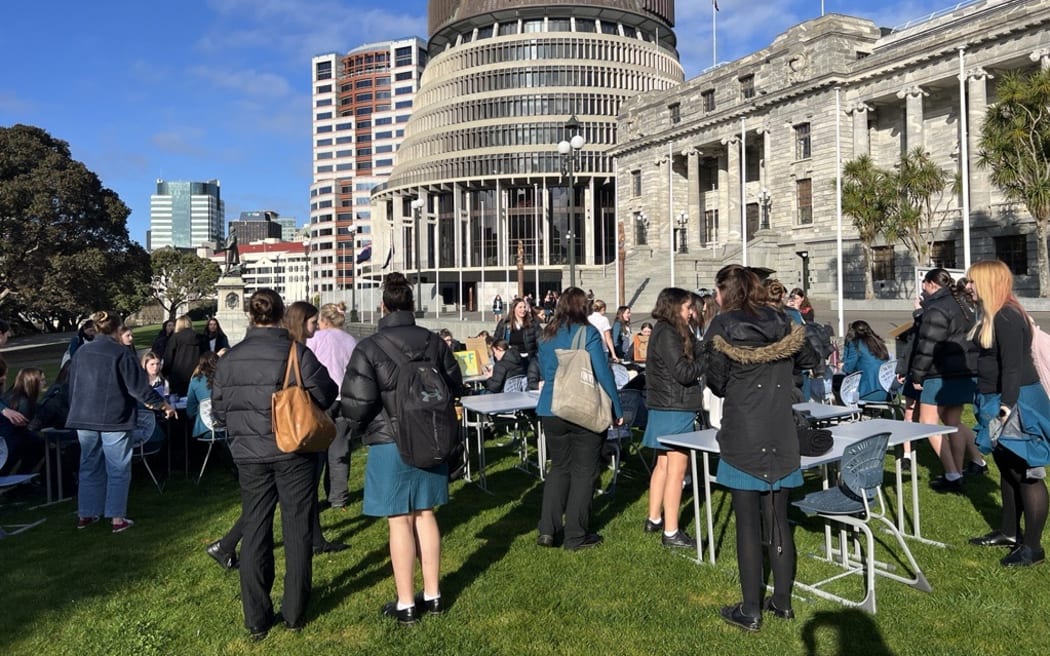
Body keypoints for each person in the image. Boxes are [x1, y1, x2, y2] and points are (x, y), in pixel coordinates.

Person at [212, 290, 337, 640]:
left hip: (249, 452)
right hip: (292, 449)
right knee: (296, 528)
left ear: (252, 317)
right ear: (281, 315)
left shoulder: (229, 358)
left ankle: (256, 617)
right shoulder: (296, 352)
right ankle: (294, 610)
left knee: (255, 528)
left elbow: (220, 410)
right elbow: (326, 393)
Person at [705, 264, 822, 631]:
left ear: (727, 291)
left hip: (744, 431)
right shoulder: (784, 320)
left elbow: (717, 382)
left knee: (748, 525)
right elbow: (811, 359)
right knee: (777, 518)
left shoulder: (723, 325)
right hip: (779, 427)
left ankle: (752, 609)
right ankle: (782, 603)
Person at [341, 272, 463, 625]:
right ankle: (434, 594)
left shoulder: (369, 346)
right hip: (430, 434)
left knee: (399, 521)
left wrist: (358, 427)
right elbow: (454, 382)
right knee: (426, 514)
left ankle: (406, 602)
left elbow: (358, 401)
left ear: (383, 305)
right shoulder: (433, 341)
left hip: (389, 439)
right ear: (412, 304)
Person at [966, 260, 1050, 566]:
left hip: (1016, 403)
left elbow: (1013, 367)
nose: (968, 287)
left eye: (973, 282)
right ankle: (1010, 531)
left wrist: (1006, 408)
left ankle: (1033, 548)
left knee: (1026, 473)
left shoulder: (1007, 316)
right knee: (1007, 469)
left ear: (988, 283)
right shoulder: (992, 313)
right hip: (995, 398)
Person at [66, 310, 176, 534]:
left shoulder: (81, 352)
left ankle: (86, 513)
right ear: (118, 329)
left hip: (84, 416)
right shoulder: (120, 353)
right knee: (117, 468)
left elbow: (72, 385)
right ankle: (117, 517)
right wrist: (163, 404)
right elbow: (138, 387)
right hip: (113, 417)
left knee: (89, 465)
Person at [534, 287, 624, 551]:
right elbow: (603, 374)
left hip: (551, 407)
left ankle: (547, 529)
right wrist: (616, 409)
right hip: (580, 407)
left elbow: (544, 369)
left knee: (559, 468)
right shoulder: (588, 333)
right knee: (585, 471)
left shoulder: (546, 334)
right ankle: (576, 534)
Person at [641, 288, 706, 550]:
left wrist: (708, 344)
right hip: (674, 406)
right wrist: (708, 361)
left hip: (665, 405)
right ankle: (671, 532)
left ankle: (654, 518)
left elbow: (694, 350)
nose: (691, 312)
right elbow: (684, 372)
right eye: (687, 307)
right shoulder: (668, 332)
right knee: (676, 470)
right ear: (674, 306)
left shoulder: (670, 329)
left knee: (664, 466)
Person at [910, 268, 984, 493]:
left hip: (939, 373)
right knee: (953, 422)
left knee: (928, 423)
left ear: (932, 284)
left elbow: (927, 347)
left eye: (925, 283)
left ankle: (952, 473)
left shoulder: (936, 309)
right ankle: (969, 465)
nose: (922, 288)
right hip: (965, 370)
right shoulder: (963, 305)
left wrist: (917, 375)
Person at [286, 301, 348, 555]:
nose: (316, 326)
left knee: (317, 460)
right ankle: (338, 497)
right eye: (312, 322)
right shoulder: (346, 340)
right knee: (339, 451)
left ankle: (318, 533)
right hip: (330, 404)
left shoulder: (311, 344)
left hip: (312, 407)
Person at [306, 303, 358, 511]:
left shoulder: (317, 339)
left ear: (324, 321)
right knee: (340, 449)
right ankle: (338, 496)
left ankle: (310, 495)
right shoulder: (351, 340)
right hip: (345, 398)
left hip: (322, 398)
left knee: (317, 449)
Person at [0, 367, 46, 474]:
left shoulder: (9, 396)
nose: (45, 383)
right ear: (32, 383)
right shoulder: (25, 404)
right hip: (9, 445)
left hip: (8, 444)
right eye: (42, 380)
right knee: (39, 447)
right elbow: (26, 430)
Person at [841, 320, 891, 402]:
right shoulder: (879, 343)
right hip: (888, 392)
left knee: (839, 386)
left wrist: (847, 343)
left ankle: (846, 413)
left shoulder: (855, 344)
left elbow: (848, 369)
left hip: (869, 392)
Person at [163, 315, 203, 396]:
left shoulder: (175, 338)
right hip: (195, 373)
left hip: (178, 375)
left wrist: (164, 372)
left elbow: (169, 357)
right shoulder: (200, 337)